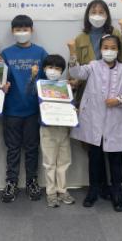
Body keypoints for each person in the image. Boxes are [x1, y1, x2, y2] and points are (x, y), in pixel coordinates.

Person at [70, 0, 122, 199]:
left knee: (114, 151)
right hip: (90, 96)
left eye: (101, 11)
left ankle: (116, 190)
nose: (97, 15)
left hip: (115, 102)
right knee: (93, 148)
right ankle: (97, 188)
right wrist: (72, 57)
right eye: (93, 11)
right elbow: (77, 71)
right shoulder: (82, 41)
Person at [0, 15, 48, 203]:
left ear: (31, 30)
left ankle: (32, 181)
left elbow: (48, 79)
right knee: (12, 149)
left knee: (32, 148)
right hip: (11, 110)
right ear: (12, 31)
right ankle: (11, 182)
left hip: (33, 110)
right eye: (18, 29)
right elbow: (1, 80)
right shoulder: (5, 54)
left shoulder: (41, 53)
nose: (22, 32)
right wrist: (1, 85)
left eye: (25, 29)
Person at [36, 54, 76, 208]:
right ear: (44, 69)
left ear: (62, 71)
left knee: (64, 162)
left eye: (57, 68)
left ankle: (62, 190)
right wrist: (33, 78)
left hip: (63, 128)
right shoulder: (39, 85)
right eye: (50, 67)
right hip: (47, 129)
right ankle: (51, 193)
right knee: (49, 163)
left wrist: (74, 111)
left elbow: (70, 105)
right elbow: (30, 96)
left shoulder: (65, 87)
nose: (53, 71)